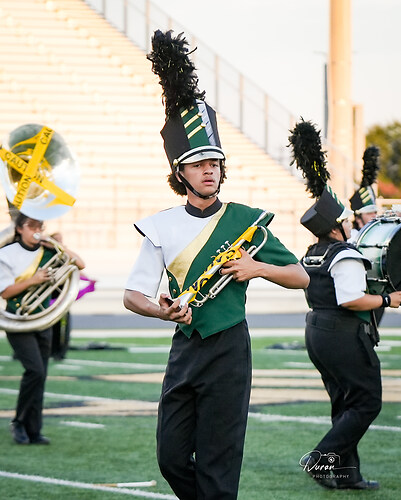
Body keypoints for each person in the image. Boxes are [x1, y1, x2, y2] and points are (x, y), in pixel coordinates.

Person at [123, 30, 309, 500]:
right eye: (199, 163)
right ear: (180, 173)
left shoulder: (247, 221)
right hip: (185, 350)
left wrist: (258, 269)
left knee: (218, 464)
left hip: (230, 349)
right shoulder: (161, 225)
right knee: (170, 457)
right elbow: (132, 295)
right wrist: (162, 311)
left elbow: (301, 276)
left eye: (215, 163)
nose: (209, 170)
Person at [289, 119, 401, 490]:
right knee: (367, 403)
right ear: (338, 225)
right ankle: (321, 459)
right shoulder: (345, 254)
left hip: (317, 333)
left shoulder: (313, 252)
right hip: (343, 334)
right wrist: (388, 299)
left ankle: (345, 473)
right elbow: (351, 299)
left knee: (343, 402)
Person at [0, 212, 85, 445]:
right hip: (18, 320)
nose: (37, 231)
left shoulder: (49, 251)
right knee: (35, 371)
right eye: (31, 226)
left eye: (40, 226)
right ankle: (18, 422)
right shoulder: (6, 254)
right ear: (19, 229)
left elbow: (80, 264)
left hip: (44, 320)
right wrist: (33, 280)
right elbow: (5, 292)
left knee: (41, 375)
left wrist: (59, 246)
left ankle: (34, 429)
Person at [348, 146, 380, 243]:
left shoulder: (378, 234)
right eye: (369, 213)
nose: (374, 216)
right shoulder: (352, 238)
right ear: (358, 219)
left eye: (375, 212)